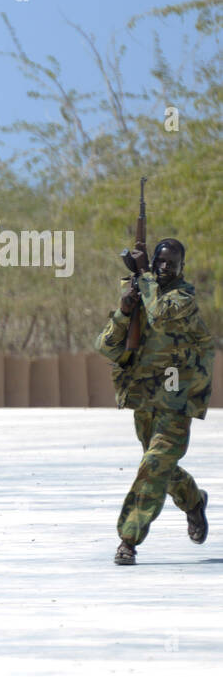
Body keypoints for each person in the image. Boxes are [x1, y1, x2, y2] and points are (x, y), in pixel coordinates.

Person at [95, 238, 212, 565]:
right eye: (158, 261)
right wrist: (124, 311)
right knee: (159, 466)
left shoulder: (182, 298)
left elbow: (160, 314)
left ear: (181, 268)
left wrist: (143, 273)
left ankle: (128, 540)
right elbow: (106, 346)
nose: (164, 267)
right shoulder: (141, 294)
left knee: (153, 466)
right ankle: (193, 501)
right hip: (145, 397)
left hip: (177, 398)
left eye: (170, 263)